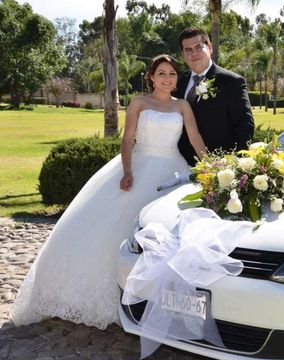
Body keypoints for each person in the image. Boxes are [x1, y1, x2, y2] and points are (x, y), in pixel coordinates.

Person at [11, 54, 207, 329]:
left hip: (172, 170)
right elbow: (128, 139)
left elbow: (195, 137)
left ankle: (155, 297)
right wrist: (128, 171)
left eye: (172, 74)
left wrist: (210, 165)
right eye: (161, 73)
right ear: (151, 77)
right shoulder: (139, 103)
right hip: (140, 166)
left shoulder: (183, 106)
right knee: (114, 228)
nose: (167, 79)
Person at [176, 27, 254, 165]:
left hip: (218, 166)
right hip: (179, 163)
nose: (194, 53)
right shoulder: (178, 82)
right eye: (188, 50)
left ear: (210, 47)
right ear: (183, 54)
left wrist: (235, 162)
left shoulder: (232, 82)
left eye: (198, 47)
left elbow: (245, 125)